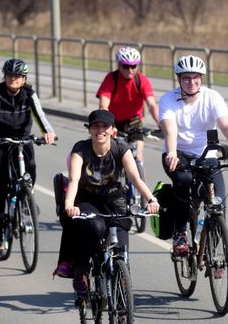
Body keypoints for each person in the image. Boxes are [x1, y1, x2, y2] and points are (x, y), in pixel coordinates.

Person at [159, 55, 228, 256]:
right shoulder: (168, 100)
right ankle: (180, 234)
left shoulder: (212, 97)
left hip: (206, 155)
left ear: (201, 78)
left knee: (219, 203)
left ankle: (213, 254)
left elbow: (226, 125)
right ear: (179, 79)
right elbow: (170, 130)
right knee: (183, 181)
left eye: (196, 77)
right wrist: (172, 152)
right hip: (178, 154)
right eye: (186, 78)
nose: (191, 82)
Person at [54, 109, 159, 292]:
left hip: (114, 199)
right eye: (96, 126)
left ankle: (122, 280)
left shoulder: (121, 148)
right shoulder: (81, 149)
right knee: (96, 227)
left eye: (105, 126)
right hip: (87, 199)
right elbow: (74, 180)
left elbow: (135, 178)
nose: (100, 130)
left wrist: (151, 199)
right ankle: (81, 269)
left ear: (112, 130)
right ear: (89, 129)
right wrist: (69, 204)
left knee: (122, 234)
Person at [0, 58, 56, 251]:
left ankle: (27, 196)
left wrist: (48, 132)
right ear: (4, 77)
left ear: (24, 78)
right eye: (10, 76)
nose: (13, 79)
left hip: (22, 139)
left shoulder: (29, 95)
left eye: (18, 76)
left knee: (31, 167)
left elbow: (40, 115)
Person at [96, 47, 159, 164]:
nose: (130, 70)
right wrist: (107, 124)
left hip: (134, 121)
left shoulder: (141, 80)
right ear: (119, 65)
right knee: (106, 154)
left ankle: (139, 169)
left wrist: (160, 123)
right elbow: (103, 105)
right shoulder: (111, 78)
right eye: (125, 66)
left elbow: (152, 104)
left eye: (133, 66)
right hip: (113, 120)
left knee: (138, 154)